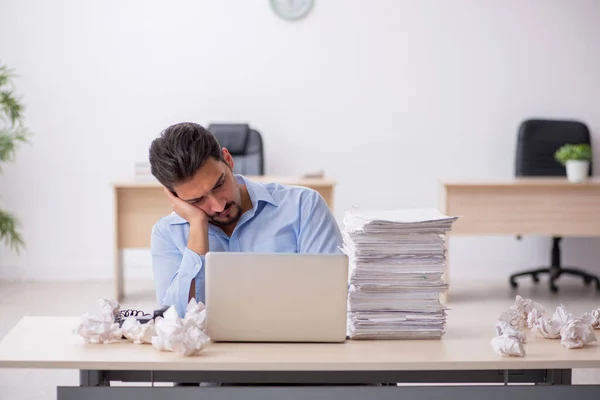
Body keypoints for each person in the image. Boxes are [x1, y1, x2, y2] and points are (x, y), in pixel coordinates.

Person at [148, 122, 343, 317]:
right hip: (211, 347)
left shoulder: (303, 206)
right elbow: (173, 321)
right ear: (175, 197)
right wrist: (198, 226)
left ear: (228, 159)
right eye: (197, 200)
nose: (218, 206)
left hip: (294, 342)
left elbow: (332, 298)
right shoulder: (167, 233)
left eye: (219, 184)